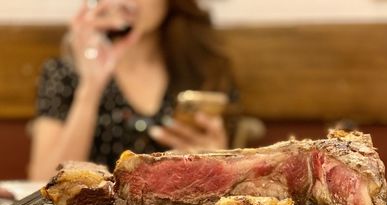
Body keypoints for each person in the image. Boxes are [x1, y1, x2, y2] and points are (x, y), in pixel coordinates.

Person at [28, 0, 237, 181]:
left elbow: (222, 182)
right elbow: (43, 181)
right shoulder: (65, 73)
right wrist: (90, 87)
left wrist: (218, 155)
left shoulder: (203, 69)